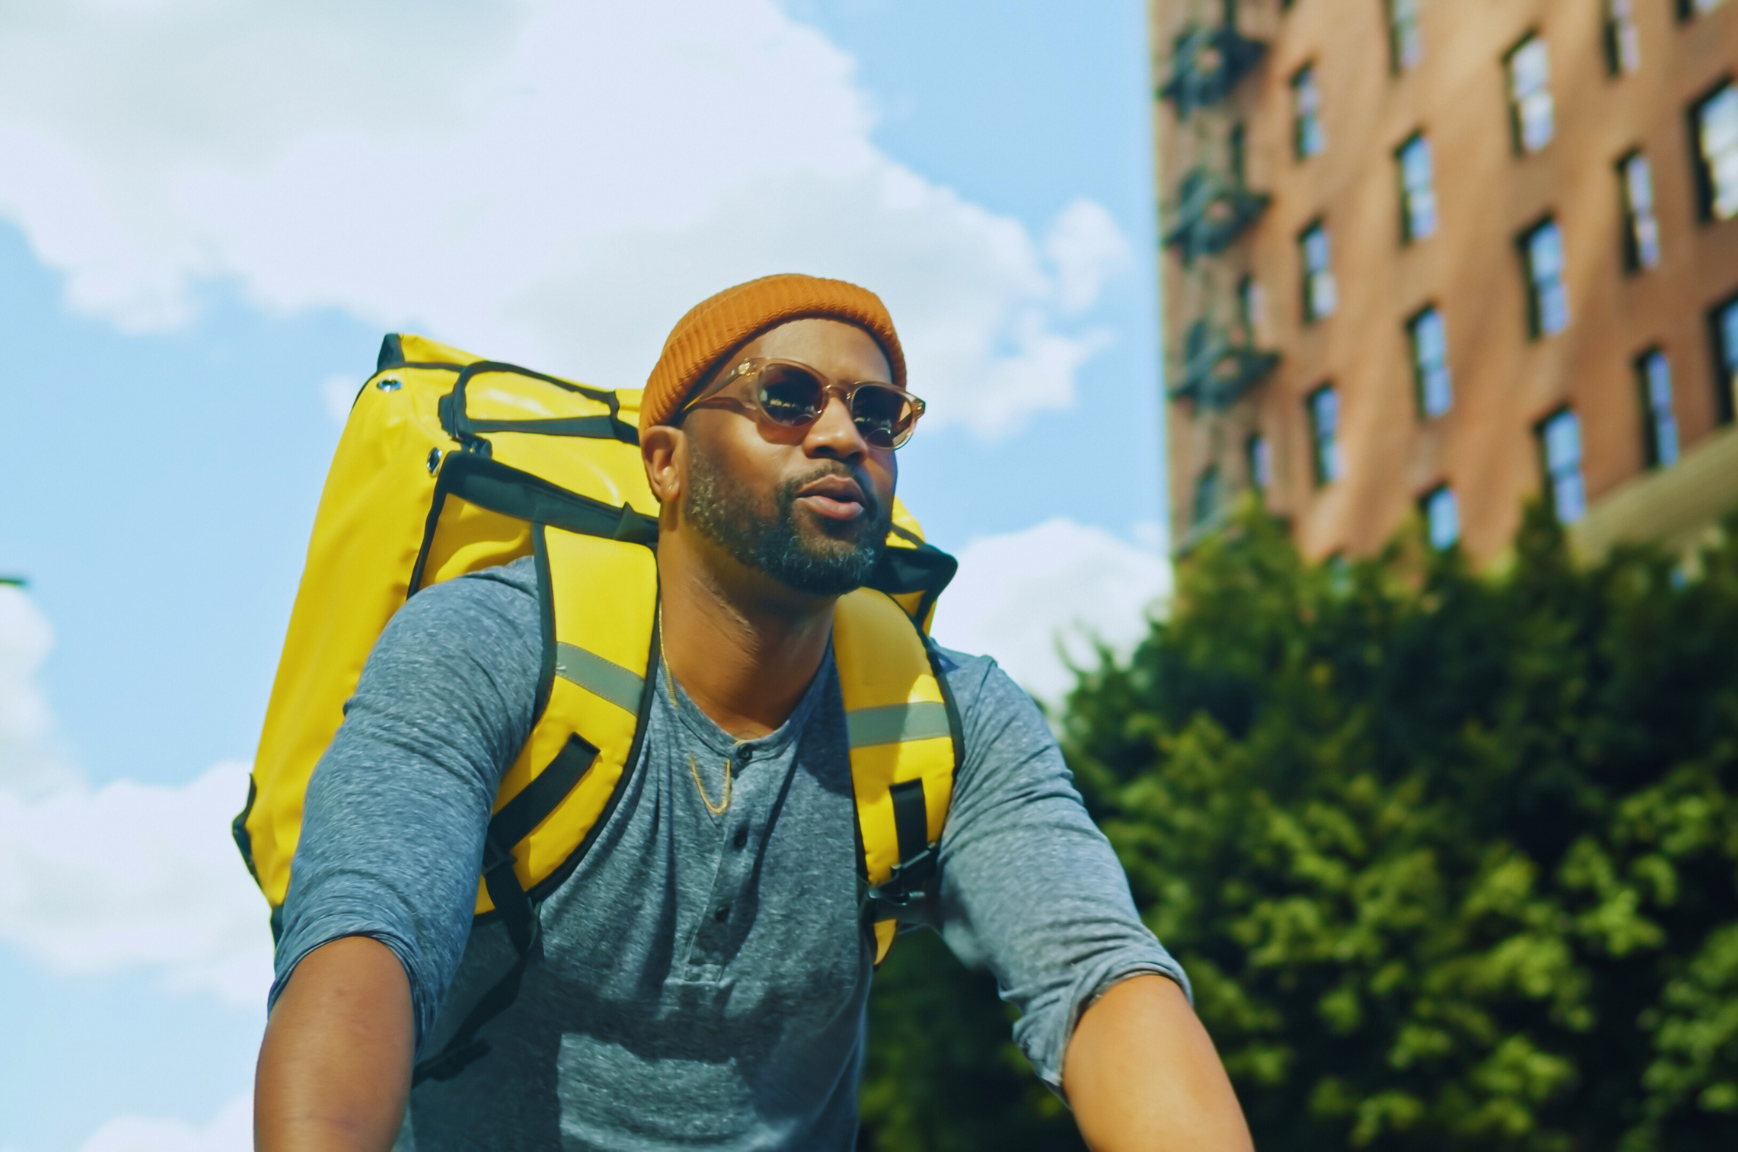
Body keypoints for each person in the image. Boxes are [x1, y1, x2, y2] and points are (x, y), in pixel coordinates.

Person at [252, 274, 1254, 1151]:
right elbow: (364, 932)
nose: (838, 435)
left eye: (876, 412)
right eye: (783, 398)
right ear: (665, 463)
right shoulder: (487, 641)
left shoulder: (948, 715)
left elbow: (1099, 983)